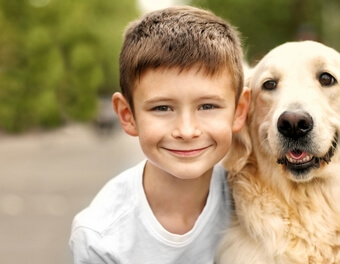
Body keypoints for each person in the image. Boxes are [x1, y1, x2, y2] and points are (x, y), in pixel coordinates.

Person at [69, 5, 250, 263]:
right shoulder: (99, 238)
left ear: (239, 111)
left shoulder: (253, 204)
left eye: (207, 106)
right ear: (127, 115)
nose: (187, 131)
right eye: (162, 108)